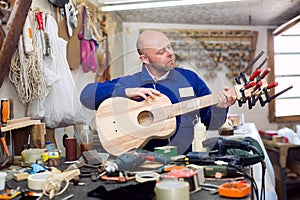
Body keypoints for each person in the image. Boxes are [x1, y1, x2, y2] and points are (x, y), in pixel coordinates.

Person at [80, 30, 236, 154]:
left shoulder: (190, 79)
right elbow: (86, 95)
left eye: (169, 47)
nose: (170, 53)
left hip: (185, 159)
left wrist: (220, 108)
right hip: (141, 162)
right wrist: (125, 91)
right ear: (145, 59)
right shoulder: (131, 82)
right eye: (161, 52)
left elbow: (212, 124)